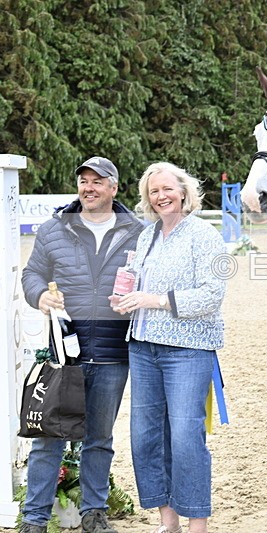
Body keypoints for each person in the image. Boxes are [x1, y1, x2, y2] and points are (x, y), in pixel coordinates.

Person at [20, 156, 144, 533]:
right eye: (83, 181)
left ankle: (94, 513)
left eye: (97, 181)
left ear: (114, 188)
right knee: (48, 439)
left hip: (112, 354)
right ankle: (34, 519)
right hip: (63, 356)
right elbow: (32, 273)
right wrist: (39, 295)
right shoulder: (53, 229)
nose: (88, 188)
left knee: (99, 439)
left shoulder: (138, 231)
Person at [111, 162, 226, 533]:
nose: (161, 196)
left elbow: (211, 295)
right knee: (145, 436)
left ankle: (197, 525)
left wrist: (156, 300)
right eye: (153, 192)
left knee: (186, 437)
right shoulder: (147, 236)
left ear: (184, 191)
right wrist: (126, 299)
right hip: (143, 347)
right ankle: (168, 521)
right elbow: (137, 286)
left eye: (167, 189)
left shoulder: (204, 234)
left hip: (186, 350)